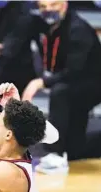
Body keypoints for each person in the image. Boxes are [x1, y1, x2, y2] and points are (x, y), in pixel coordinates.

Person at [21, 0, 101, 173]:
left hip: (93, 83)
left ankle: (54, 154)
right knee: (74, 146)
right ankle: (73, 153)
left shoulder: (78, 29)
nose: (48, 10)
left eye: (53, 5)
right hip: (75, 81)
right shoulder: (46, 26)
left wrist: (42, 81)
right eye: (43, 7)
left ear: (64, 5)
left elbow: (75, 71)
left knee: (60, 92)